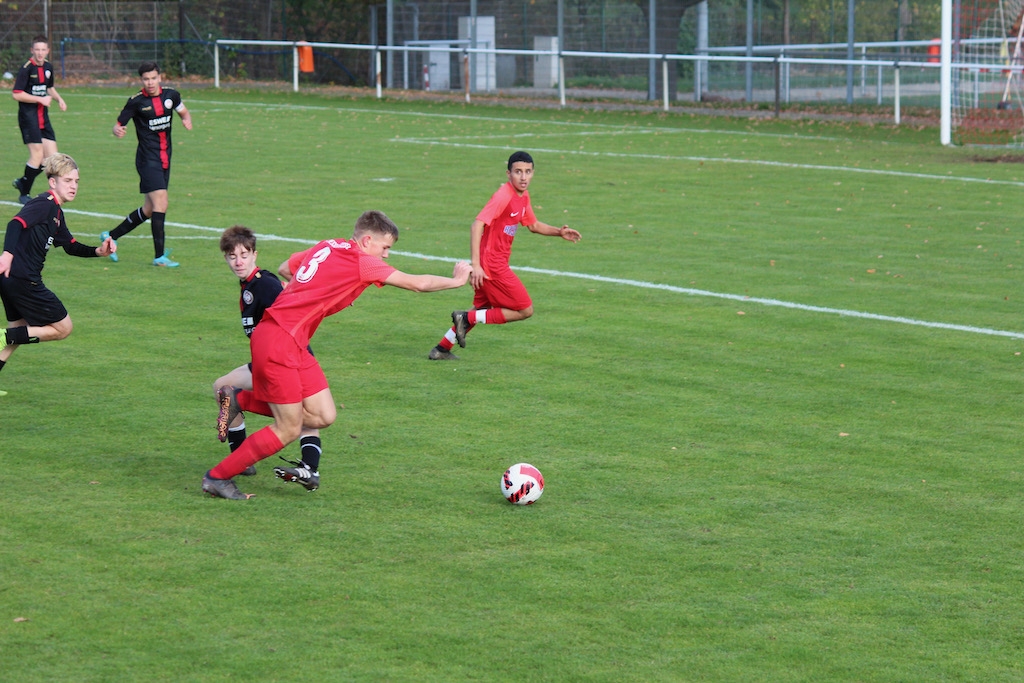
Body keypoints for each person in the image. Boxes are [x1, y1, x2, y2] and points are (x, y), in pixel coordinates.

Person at [202, 210, 471, 500]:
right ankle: (217, 477)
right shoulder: (362, 261)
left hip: (294, 341)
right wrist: (456, 281)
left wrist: (332, 290)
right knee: (289, 428)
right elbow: (417, 283)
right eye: (385, 247)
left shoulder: (328, 245)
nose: (386, 254)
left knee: (323, 415)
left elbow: (286, 267)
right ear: (367, 241)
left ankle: (238, 399)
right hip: (280, 339)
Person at [427, 151, 581, 360]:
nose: (523, 177)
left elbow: (533, 225)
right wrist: (477, 265)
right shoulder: (503, 195)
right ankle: (465, 318)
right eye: (518, 172)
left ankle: (441, 349)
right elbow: (477, 225)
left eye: (528, 172)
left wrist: (558, 232)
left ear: (533, 173)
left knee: (482, 308)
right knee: (524, 310)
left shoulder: (523, 196)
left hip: (492, 262)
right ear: (509, 174)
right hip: (492, 264)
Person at [213, 225, 324, 488]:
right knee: (222, 387)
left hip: (290, 360)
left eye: (244, 255)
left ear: (255, 254)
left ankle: (310, 468)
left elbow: (291, 305)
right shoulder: (249, 286)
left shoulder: (264, 284)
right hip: (268, 360)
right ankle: (242, 459)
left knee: (305, 414)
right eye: (232, 256)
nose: (238, 262)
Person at [0, 154, 116, 388]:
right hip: (24, 280)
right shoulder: (44, 204)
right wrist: (7, 254)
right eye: (68, 181)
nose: (73, 186)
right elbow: (15, 224)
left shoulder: (56, 212)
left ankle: (4, 337)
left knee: (19, 332)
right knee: (63, 328)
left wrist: (98, 252)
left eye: (76, 181)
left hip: (11, 279)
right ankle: (2, 336)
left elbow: (70, 246)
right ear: (53, 182)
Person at [102, 61, 192, 267]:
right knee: (162, 203)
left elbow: (183, 111)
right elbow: (118, 125)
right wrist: (117, 130)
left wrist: (186, 119)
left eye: (153, 78)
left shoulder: (171, 95)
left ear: (160, 77)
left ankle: (111, 236)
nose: (150, 82)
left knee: (150, 209)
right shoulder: (136, 102)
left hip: (165, 158)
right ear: (141, 80)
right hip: (147, 160)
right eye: (146, 79)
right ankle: (159, 257)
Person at [11, 35, 67, 205]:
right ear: (32, 50)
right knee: (37, 155)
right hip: (28, 118)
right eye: (37, 49)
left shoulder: (48, 67)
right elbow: (16, 94)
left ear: (48, 51)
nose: (40, 53)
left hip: (44, 118)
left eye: (43, 50)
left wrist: (59, 99)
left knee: (52, 159)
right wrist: (40, 99)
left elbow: (49, 88)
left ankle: (23, 181)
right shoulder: (26, 69)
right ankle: (24, 193)